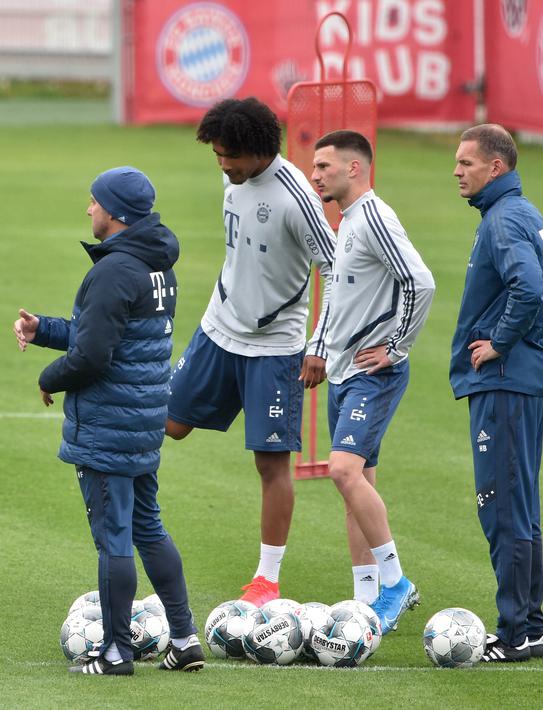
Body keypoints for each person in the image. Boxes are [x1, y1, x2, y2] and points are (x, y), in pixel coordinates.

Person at [14, 167, 202, 675]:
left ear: (115, 212)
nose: (89, 209)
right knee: (148, 528)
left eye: (94, 202)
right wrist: (44, 329)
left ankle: (117, 652)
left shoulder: (114, 270)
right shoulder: (156, 264)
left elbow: (93, 355)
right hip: (141, 419)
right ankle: (184, 639)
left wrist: (49, 377)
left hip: (108, 422)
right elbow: (110, 333)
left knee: (114, 538)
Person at [166, 97, 335, 605]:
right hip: (218, 328)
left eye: (230, 156)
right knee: (169, 424)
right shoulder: (233, 178)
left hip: (275, 347)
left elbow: (335, 270)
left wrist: (319, 344)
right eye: (217, 155)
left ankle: (267, 579)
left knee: (270, 463)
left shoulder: (297, 199)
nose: (223, 164)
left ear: (259, 150)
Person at [309, 130, 434, 631]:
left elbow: (420, 281)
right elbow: (339, 297)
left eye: (323, 166)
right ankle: (366, 600)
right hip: (343, 372)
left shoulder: (374, 217)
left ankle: (396, 583)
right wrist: (319, 348)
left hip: (372, 373)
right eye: (314, 167)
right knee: (355, 485)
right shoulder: (347, 222)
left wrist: (396, 347)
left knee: (343, 471)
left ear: (354, 168)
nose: (315, 175)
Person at [450, 124, 543, 662]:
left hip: (505, 380)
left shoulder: (504, 219)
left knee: (503, 506)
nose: (457, 172)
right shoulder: (521, 212)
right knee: (522, 506)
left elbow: (530, 287)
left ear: (496, 167)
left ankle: (514, 634)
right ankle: (532, 624)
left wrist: (499, 343)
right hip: (523, 380)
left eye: (466, 163)